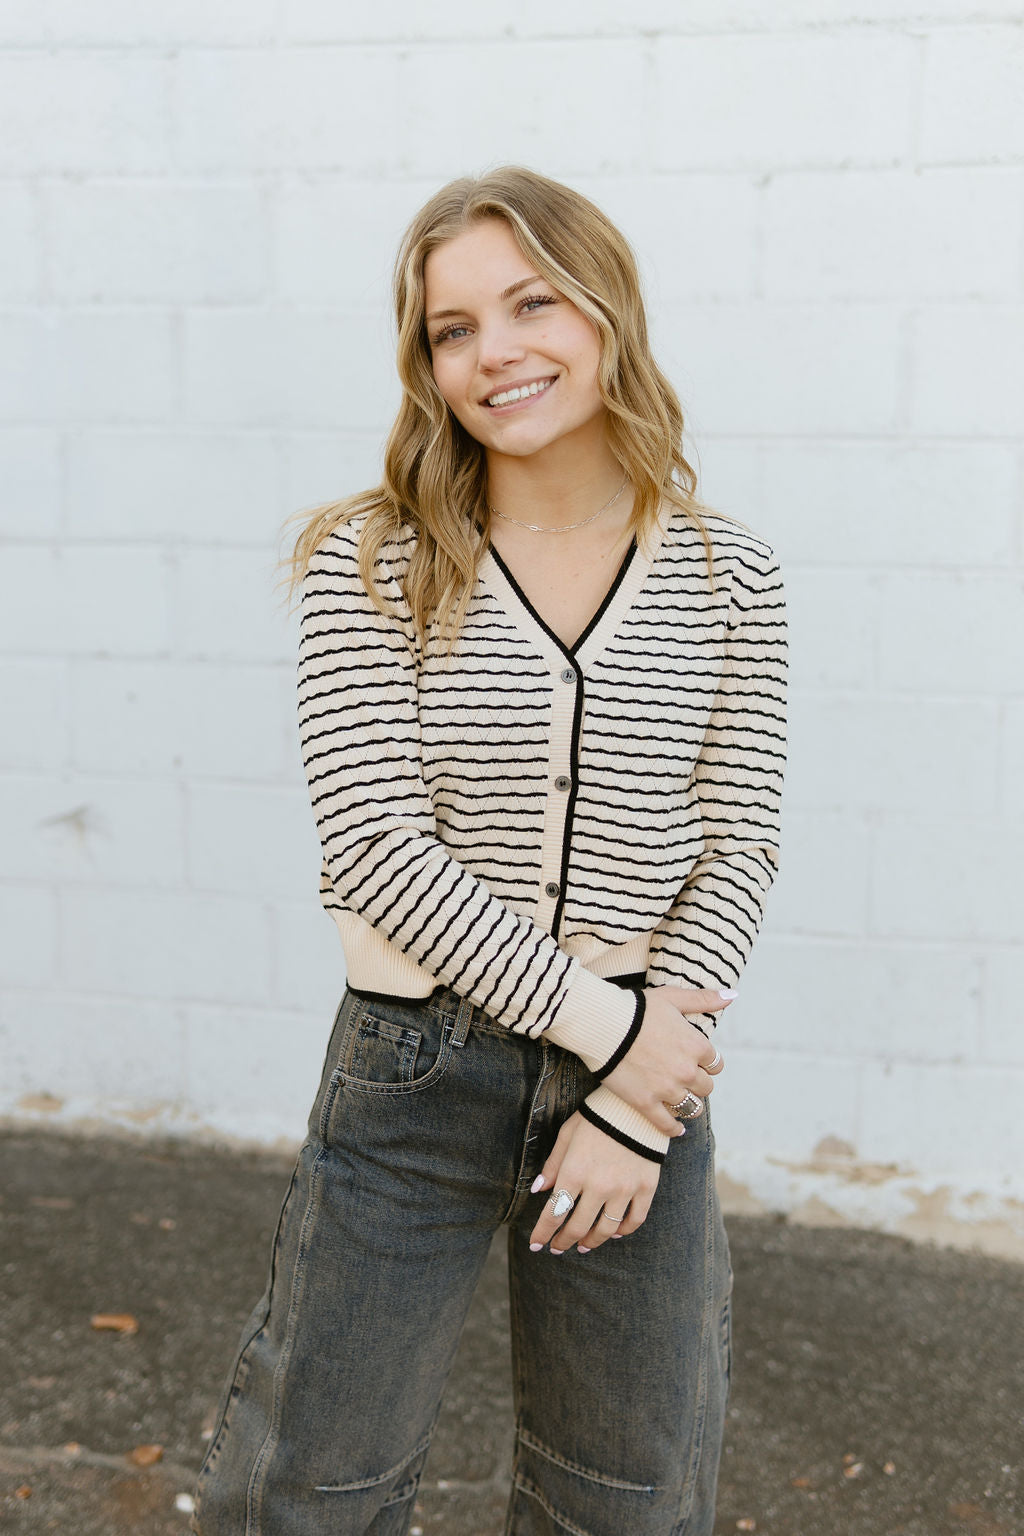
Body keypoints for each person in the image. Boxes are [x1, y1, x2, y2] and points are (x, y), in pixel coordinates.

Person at [192, 165, 786, 1536]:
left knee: (627, 1504)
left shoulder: (730, 573)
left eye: (531, 301)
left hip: (643, 1090)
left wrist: (638, 1100)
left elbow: (739, 842)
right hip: (415, 1070)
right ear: (426, 362)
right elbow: (378, 849)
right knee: (312, 1493)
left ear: (606, 314)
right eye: (453, 328)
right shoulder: (374, 561)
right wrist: (613, 1029)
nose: (495, 351)